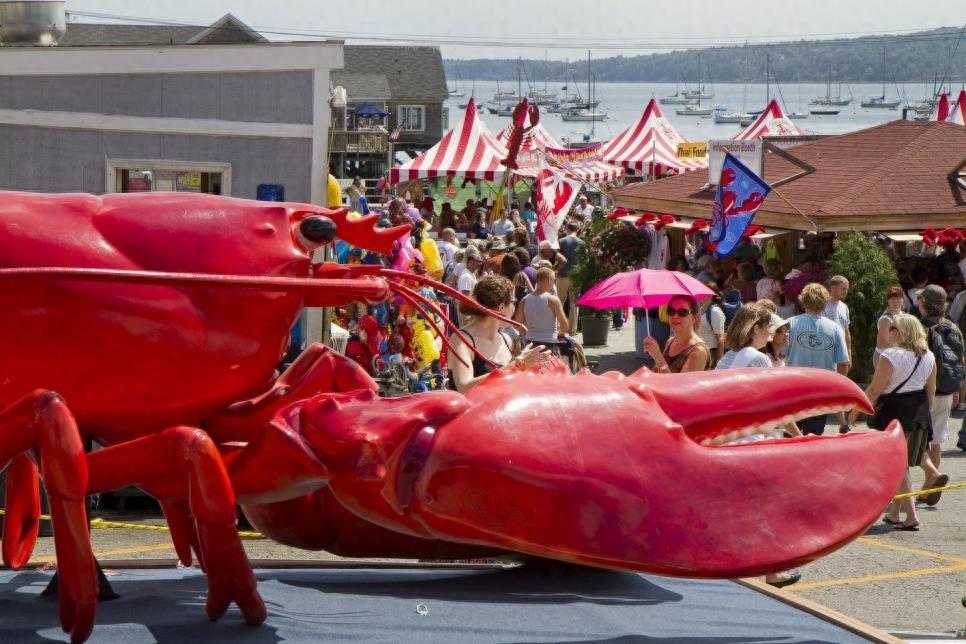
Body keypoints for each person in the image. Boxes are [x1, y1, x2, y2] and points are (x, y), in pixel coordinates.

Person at [848, 313, 935, 531]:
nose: (890, 332)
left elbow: (876, 388)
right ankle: (896, 513)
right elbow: (930, 390)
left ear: (902, 331)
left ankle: (912, 516)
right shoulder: (929, 356)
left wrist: (857, 408)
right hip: (919, 412)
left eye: (893, 328)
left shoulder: (891, 355)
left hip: (895, 412)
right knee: (902, 462)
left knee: (900, 464)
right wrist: (926, 414)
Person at [447, 276, 551, 393]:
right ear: (501, 307)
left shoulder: (506, 339)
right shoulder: (462, 340)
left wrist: (529, 366)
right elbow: (464, 387)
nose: (514, 307)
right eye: (513, 302)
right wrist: (518, 365)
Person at [785, 283, 850, 435]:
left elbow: (779, 354)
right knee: (814, 438)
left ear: (803, 300)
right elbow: (843, 364)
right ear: (825, 302)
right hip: (820, 392)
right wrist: (835, 389)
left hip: (793, 390)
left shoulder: (791, 323)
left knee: (789, 438)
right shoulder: (834, 328)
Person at [916, 284, 960, 502]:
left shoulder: (920, 327)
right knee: (936, 441)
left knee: (915, 439)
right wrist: (958, 389)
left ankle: (931, 476)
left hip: (924, 392)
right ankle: (928, 485)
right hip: (947, 390)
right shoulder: (954, 327)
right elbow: (960, 360)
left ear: (924, 304)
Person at [643, 295, 710, 373]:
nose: (675, 316)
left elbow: (680, 384)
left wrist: (658, 357)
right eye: (671, 311)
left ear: (695, 317)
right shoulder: (670, 342)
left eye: (682, 312)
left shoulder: (698, 351)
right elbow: (661, 370)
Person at [823, 275, 853, 433]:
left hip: (840, 351)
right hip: (826, 351)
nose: (845, 291)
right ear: (833, 288)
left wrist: (849, 352)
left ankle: (842, 423)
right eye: (843, 288)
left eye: (847, 289)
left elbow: (847, 331)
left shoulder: (844, 307)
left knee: (840, 387)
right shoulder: (823, 305)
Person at [515, 267, 569, 345]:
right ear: (549, 280)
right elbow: (564, 325)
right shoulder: (553, 300)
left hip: (530, 343)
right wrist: (559, 333)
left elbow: (517, 324)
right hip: (549, 344)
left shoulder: (524, 300)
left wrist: (528, 332)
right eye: (553, 280)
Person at [557, 222, 586, 333]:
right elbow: (584, 260)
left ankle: (560, 327)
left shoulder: (562, 241)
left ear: (567, 229)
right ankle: (572, 329)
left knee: (559, 302)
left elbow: (557, 257)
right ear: (577, 230)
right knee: (574, 303)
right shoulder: (582, 243)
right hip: (576, 276)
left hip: (562, 274)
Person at [874, 286, 905, 368]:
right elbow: (881, 344)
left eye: (898, 298)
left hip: (897, 357)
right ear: (888, 301)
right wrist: (904, 345)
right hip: (884, 358)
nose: (896, 301)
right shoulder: (886, 319)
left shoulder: (904, 315)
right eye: (892, 299)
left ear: (903, 300)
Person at [697, 282, 726, 366]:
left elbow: (720, 339)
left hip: (711, 353)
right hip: (701, 352)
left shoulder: (715, 311)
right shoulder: (701, 309)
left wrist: (718, 362)